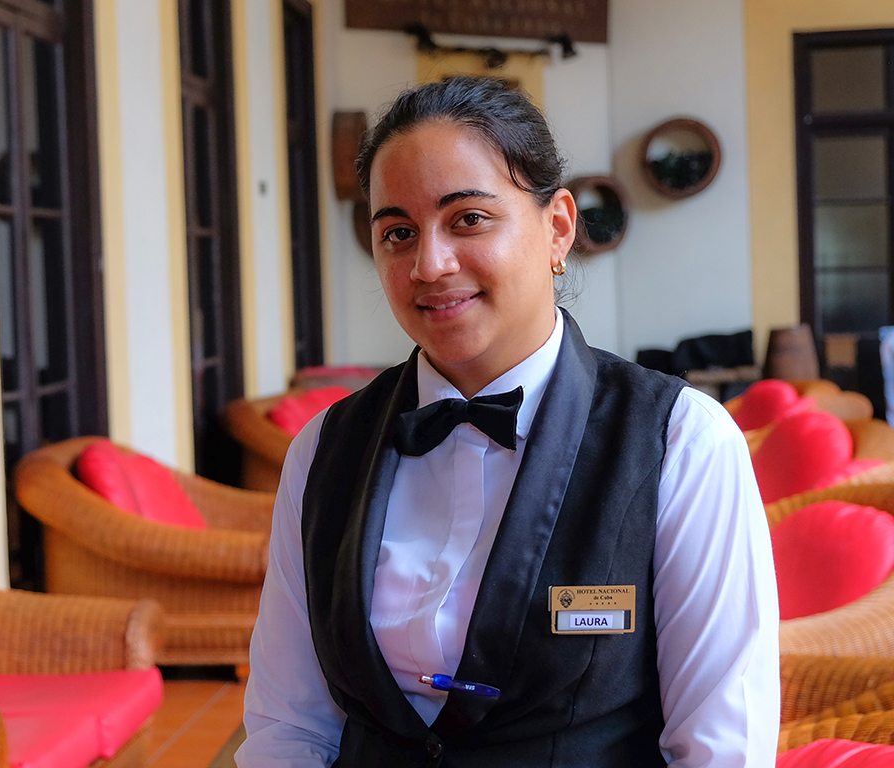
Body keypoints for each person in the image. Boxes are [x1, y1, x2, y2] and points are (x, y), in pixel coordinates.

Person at [236, 75, 779, 767]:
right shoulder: (323, 449)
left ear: (558, 228)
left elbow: (721, 748)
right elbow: (289, 724)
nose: (430, 264)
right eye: (398, 232)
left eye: (468, 219)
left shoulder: (680, 441)